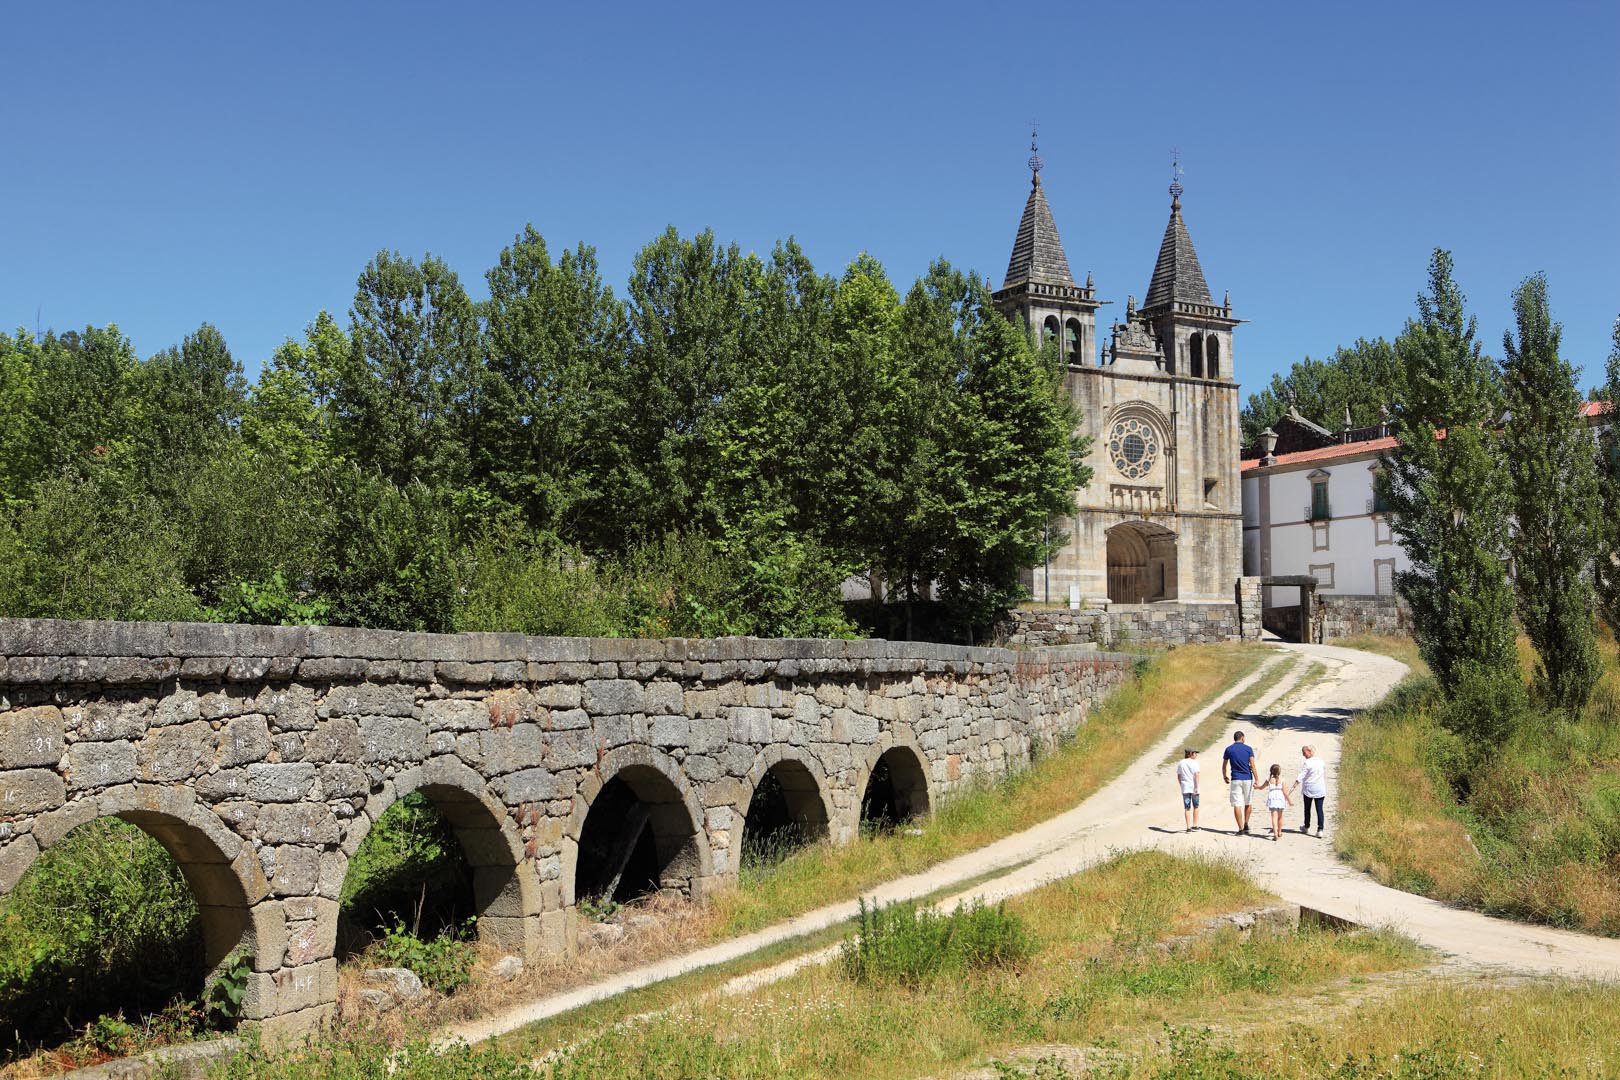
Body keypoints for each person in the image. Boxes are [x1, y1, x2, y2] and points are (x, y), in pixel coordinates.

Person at [1221, 730, 1258, 834]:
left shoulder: (1228, 749)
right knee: (1248, 802)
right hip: (1248, 778)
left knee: (1237, 804)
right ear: (1242, 738)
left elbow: (1224, 766)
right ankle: (1246, 823)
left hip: (1235, 778)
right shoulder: (1248, 749)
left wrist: (1225, 776)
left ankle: (1240, 828)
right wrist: (1257, 779)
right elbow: (1253, 765)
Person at [1293, 744, 1327, 836]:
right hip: (1320, 788)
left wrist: (1296, 783)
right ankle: (1320, 829)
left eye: (1304, 753)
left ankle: (1307, 826)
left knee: (1307, 808)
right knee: (1319, 809)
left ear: (1310, 751)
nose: (1303, 755)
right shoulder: (1321, 761)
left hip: (1309, 788)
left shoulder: (1307, 763)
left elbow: (1302, 774)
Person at [1255, 763, 1293, 841]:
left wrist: (1257, 787)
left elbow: (1262, 787)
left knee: (1274, 817)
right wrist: (1289, 800)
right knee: (1280, 817)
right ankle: (1279, 832)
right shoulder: (1282, 779)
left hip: (1272, 798)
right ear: (1279, 771)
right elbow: (1285, 792)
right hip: (1280, 798)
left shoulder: (1269, 779)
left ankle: (1275, 834)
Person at [1175, 748, 1201, 831]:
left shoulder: (1181, 763)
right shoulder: (1194, 763)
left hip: (1185, 788)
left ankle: (1188, 827)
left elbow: (1179, 776)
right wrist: (1196, 787)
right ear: (1190, 754)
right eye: (1195, 753)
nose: (1196, 755)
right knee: (1196, 806)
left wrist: (1182, 785)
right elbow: (1196, 775)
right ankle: (1195, 825)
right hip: (1194, 787)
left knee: (1187, 808)